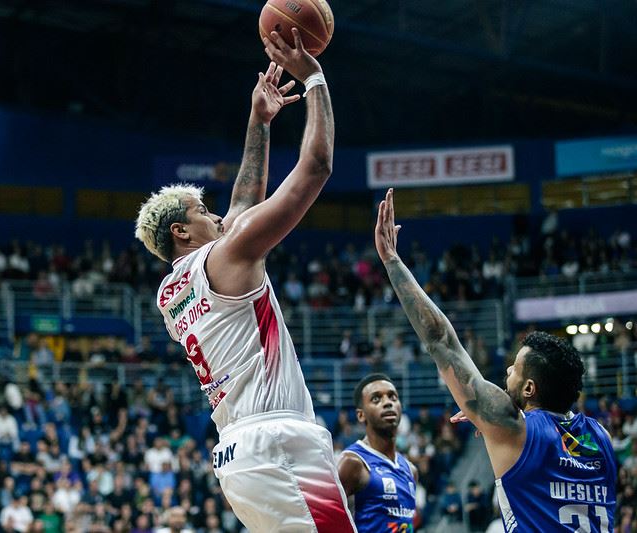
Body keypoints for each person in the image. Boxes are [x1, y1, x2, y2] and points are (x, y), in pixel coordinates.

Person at [135, 28, 354, 532]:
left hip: (238, 456)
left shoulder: (173, 291)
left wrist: (260, 120)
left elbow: (241, 208)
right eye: (203, 212)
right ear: (181, 230)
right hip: (279, 439)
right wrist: (316, 80)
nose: (218, 217)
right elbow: (317, 165)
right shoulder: (226, 256)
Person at [373, 188, 617, 532]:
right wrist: (487, 415)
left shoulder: (512, 426)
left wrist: (392, 262)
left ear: (530, 388)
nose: (507, 371)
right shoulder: (601, 438)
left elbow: (441, 340)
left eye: (514, 369)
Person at [338, 373, 418, 532]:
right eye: (376, 399)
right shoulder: (353, 462)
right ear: (361, 415)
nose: (387, 402)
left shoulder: (411, 470)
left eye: (392, 397)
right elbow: (325, 519)